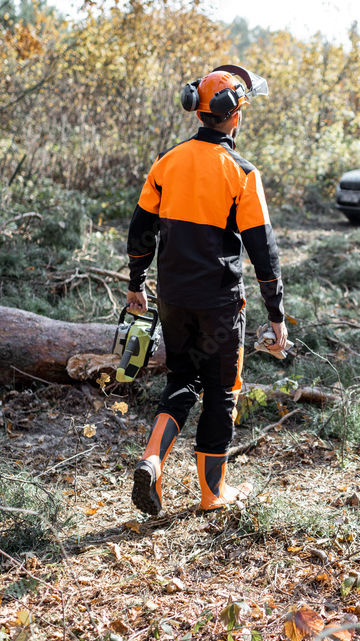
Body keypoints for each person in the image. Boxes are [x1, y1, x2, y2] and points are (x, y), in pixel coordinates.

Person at [124, 64, 287, 515]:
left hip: (172, 297)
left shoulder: (167, 162)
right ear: (235, 115)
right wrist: (276, 315)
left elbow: (140, 232)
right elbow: (263, 252)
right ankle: (212, 494)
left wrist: (136, 285)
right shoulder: (241, 172)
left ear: (197, 110)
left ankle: (153, 460)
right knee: (221, 390)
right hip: (218, 304)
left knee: (182, 379)